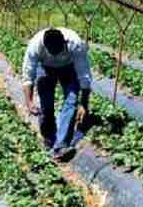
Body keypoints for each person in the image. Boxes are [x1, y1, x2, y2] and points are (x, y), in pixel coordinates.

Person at [22, 27, 92, 160]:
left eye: (58, 50)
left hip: (69, 68)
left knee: (71, 102)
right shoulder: (35, 46)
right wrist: (29, 102)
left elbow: (84, 75)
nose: (55, 54)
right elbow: (27, 76)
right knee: (46, 105)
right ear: (45, 46)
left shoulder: (75, 44)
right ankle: (49, 139)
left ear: (64, 43)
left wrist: (84, 103)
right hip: (45, 68)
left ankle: (61, 145)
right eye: (52, 51)